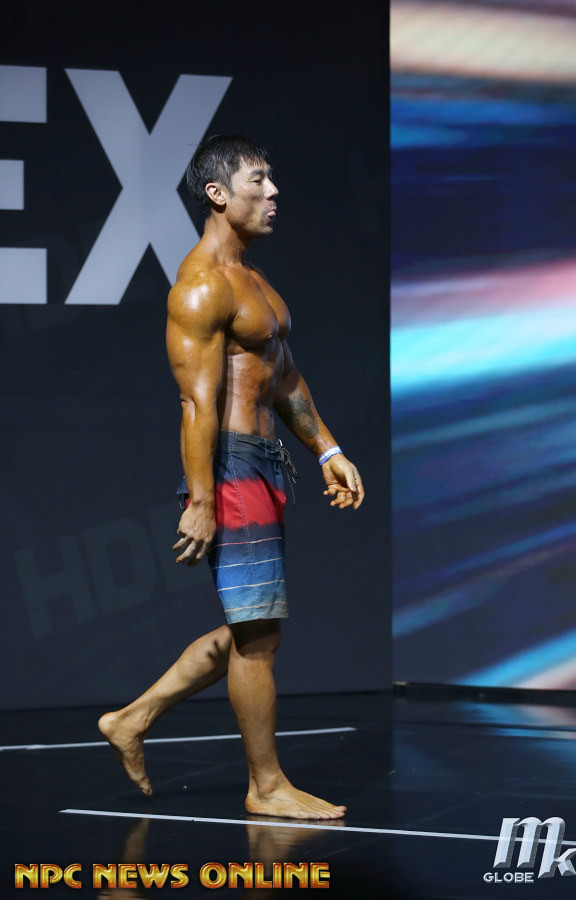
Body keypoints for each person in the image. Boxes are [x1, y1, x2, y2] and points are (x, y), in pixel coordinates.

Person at [98, 135, 365, 820]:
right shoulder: (202, 285)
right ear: (217, 194)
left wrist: (328, 451)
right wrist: (201, 499)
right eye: (258, 180)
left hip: (266, 464)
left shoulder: (253, 279)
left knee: (253, 625)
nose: (273, 192)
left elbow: (285, 376)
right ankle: (266, 786)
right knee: (259, 636)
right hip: (232, 466)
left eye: (272, 179)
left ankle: (131, 719)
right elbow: (196, 402)